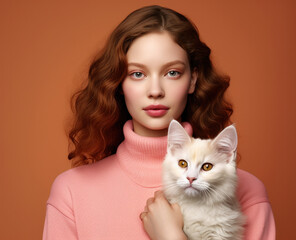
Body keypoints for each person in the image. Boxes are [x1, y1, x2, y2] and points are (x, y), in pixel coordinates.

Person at [43, 5, 276, 240]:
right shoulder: (72, 192)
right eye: (137, 74)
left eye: (172, 72)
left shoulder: (248, 193)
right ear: (118, 83)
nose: (155, 91)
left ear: (193, 79)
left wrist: (172, 237)